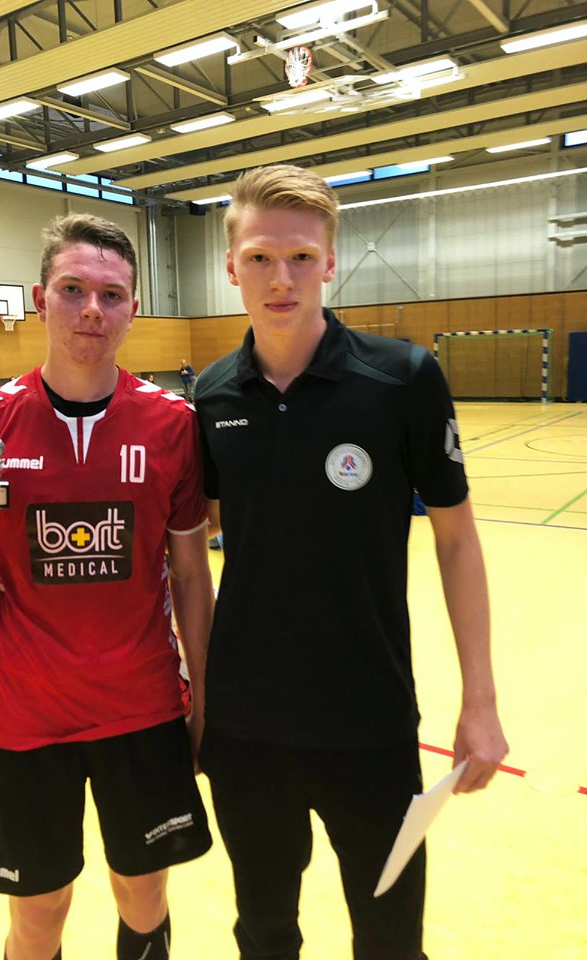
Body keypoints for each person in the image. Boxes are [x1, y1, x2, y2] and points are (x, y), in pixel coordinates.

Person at [194, 164, 509, 960]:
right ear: (231, 266)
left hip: (371, 724)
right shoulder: (212, 396)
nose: (282, 278)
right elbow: (189, 545)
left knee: (391, 940)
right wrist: (195, 695)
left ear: (330, 262)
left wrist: (480, 701)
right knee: (264, 934)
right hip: (247, 729)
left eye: (301, 257)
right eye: (260, 258)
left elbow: (458, 539)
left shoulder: (402, 379)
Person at [0, 212, 213, 960]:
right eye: (73, 289)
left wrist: (207, 696)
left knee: (143, 892)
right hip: (25, 712)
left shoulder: (172, 424)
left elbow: (189, 573)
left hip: (142, 705)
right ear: (39, 299)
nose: (91, 310)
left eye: (111, 296)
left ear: (133, 309)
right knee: (38, 911)